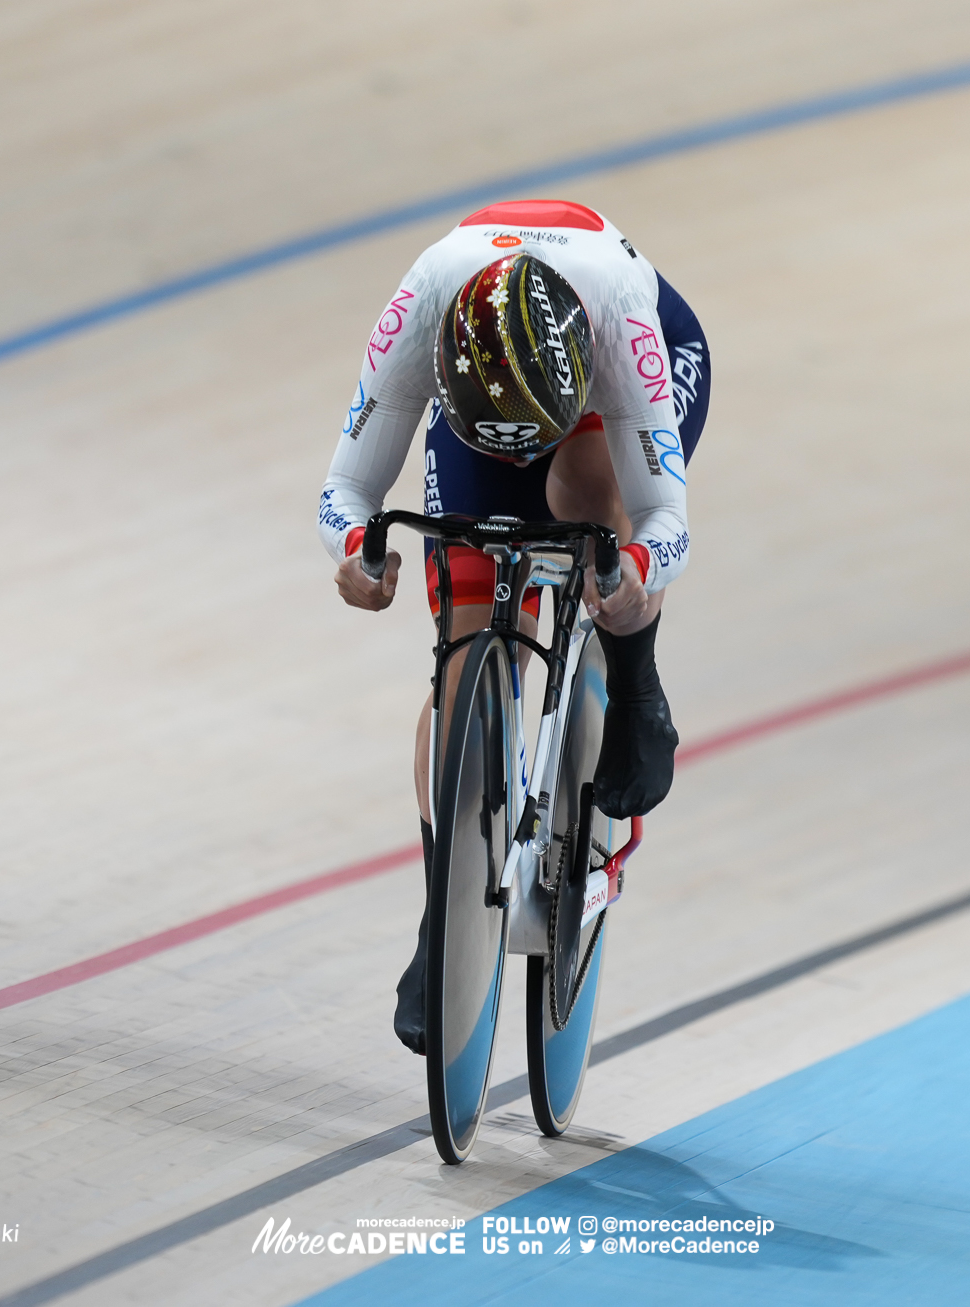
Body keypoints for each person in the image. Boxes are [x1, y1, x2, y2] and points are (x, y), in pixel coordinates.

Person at [316, 198, 710, 1054]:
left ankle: (637, 689)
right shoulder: (423, 307)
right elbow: (346, 491)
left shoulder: (620, 325)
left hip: (605, 400)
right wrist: (356, 552)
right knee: (462, 633)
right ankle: (446, 899)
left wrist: (635, 577)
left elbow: (665, 519)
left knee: (589, 496)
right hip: (485, 401)